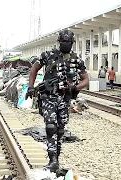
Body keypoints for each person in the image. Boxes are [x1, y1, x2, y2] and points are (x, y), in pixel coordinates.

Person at [25, 30, 89, 172]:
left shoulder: (76, 60)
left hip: (65, 98)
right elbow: (34, 69)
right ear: (59, 42)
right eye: (63, 42)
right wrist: (30, 87)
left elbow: (86, 79)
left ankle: (56, 159)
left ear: (72, 43)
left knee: (60, 129)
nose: (65, 44)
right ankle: (52, 159)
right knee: (50, 127)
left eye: (68, 42)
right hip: (49, 97)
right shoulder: (48, 55)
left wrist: (75, 88)